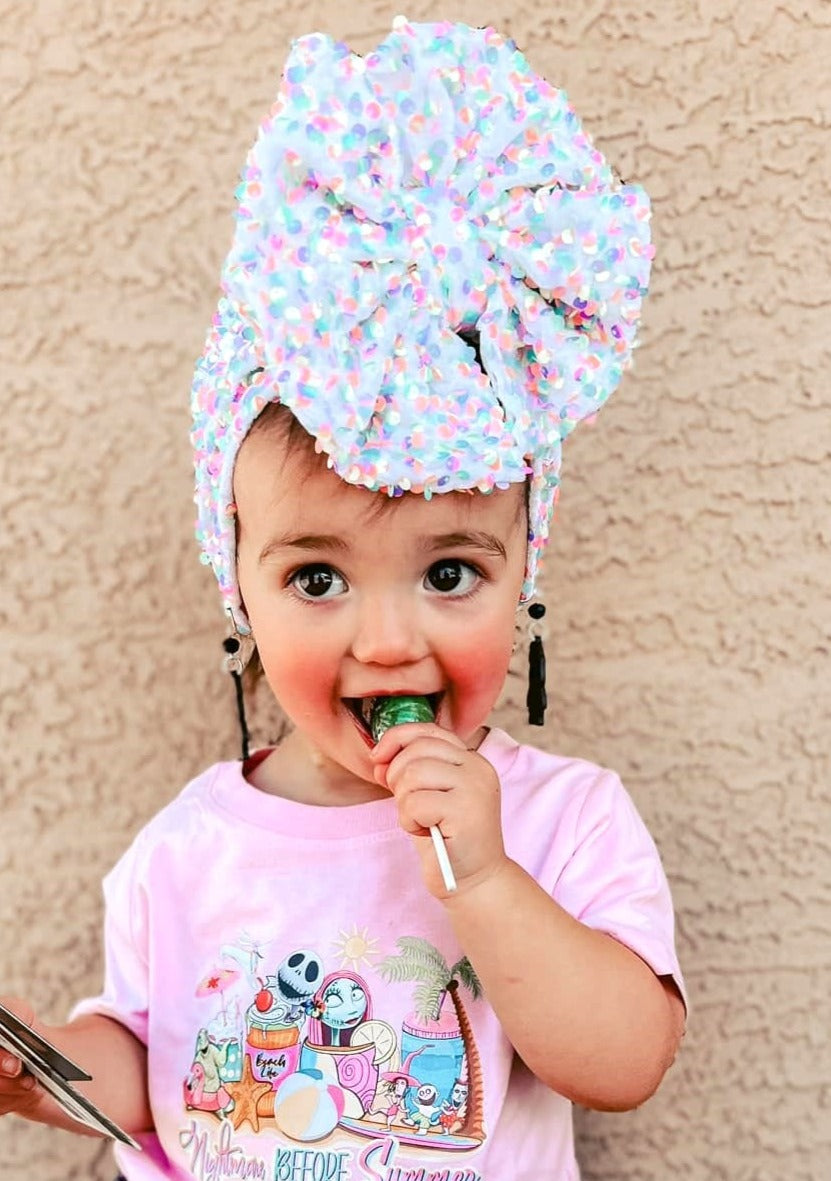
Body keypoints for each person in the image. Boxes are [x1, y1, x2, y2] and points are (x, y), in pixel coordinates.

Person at [0, 17, 686, 1180]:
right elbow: (160, 1072)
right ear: (241, 588)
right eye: (317, 578)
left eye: (449, 573)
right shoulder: (186, 850)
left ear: (523, 574)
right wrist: (43, 1067)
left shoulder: (564, 818)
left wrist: (487, 878)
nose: (388, 637)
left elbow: (625, 1057)